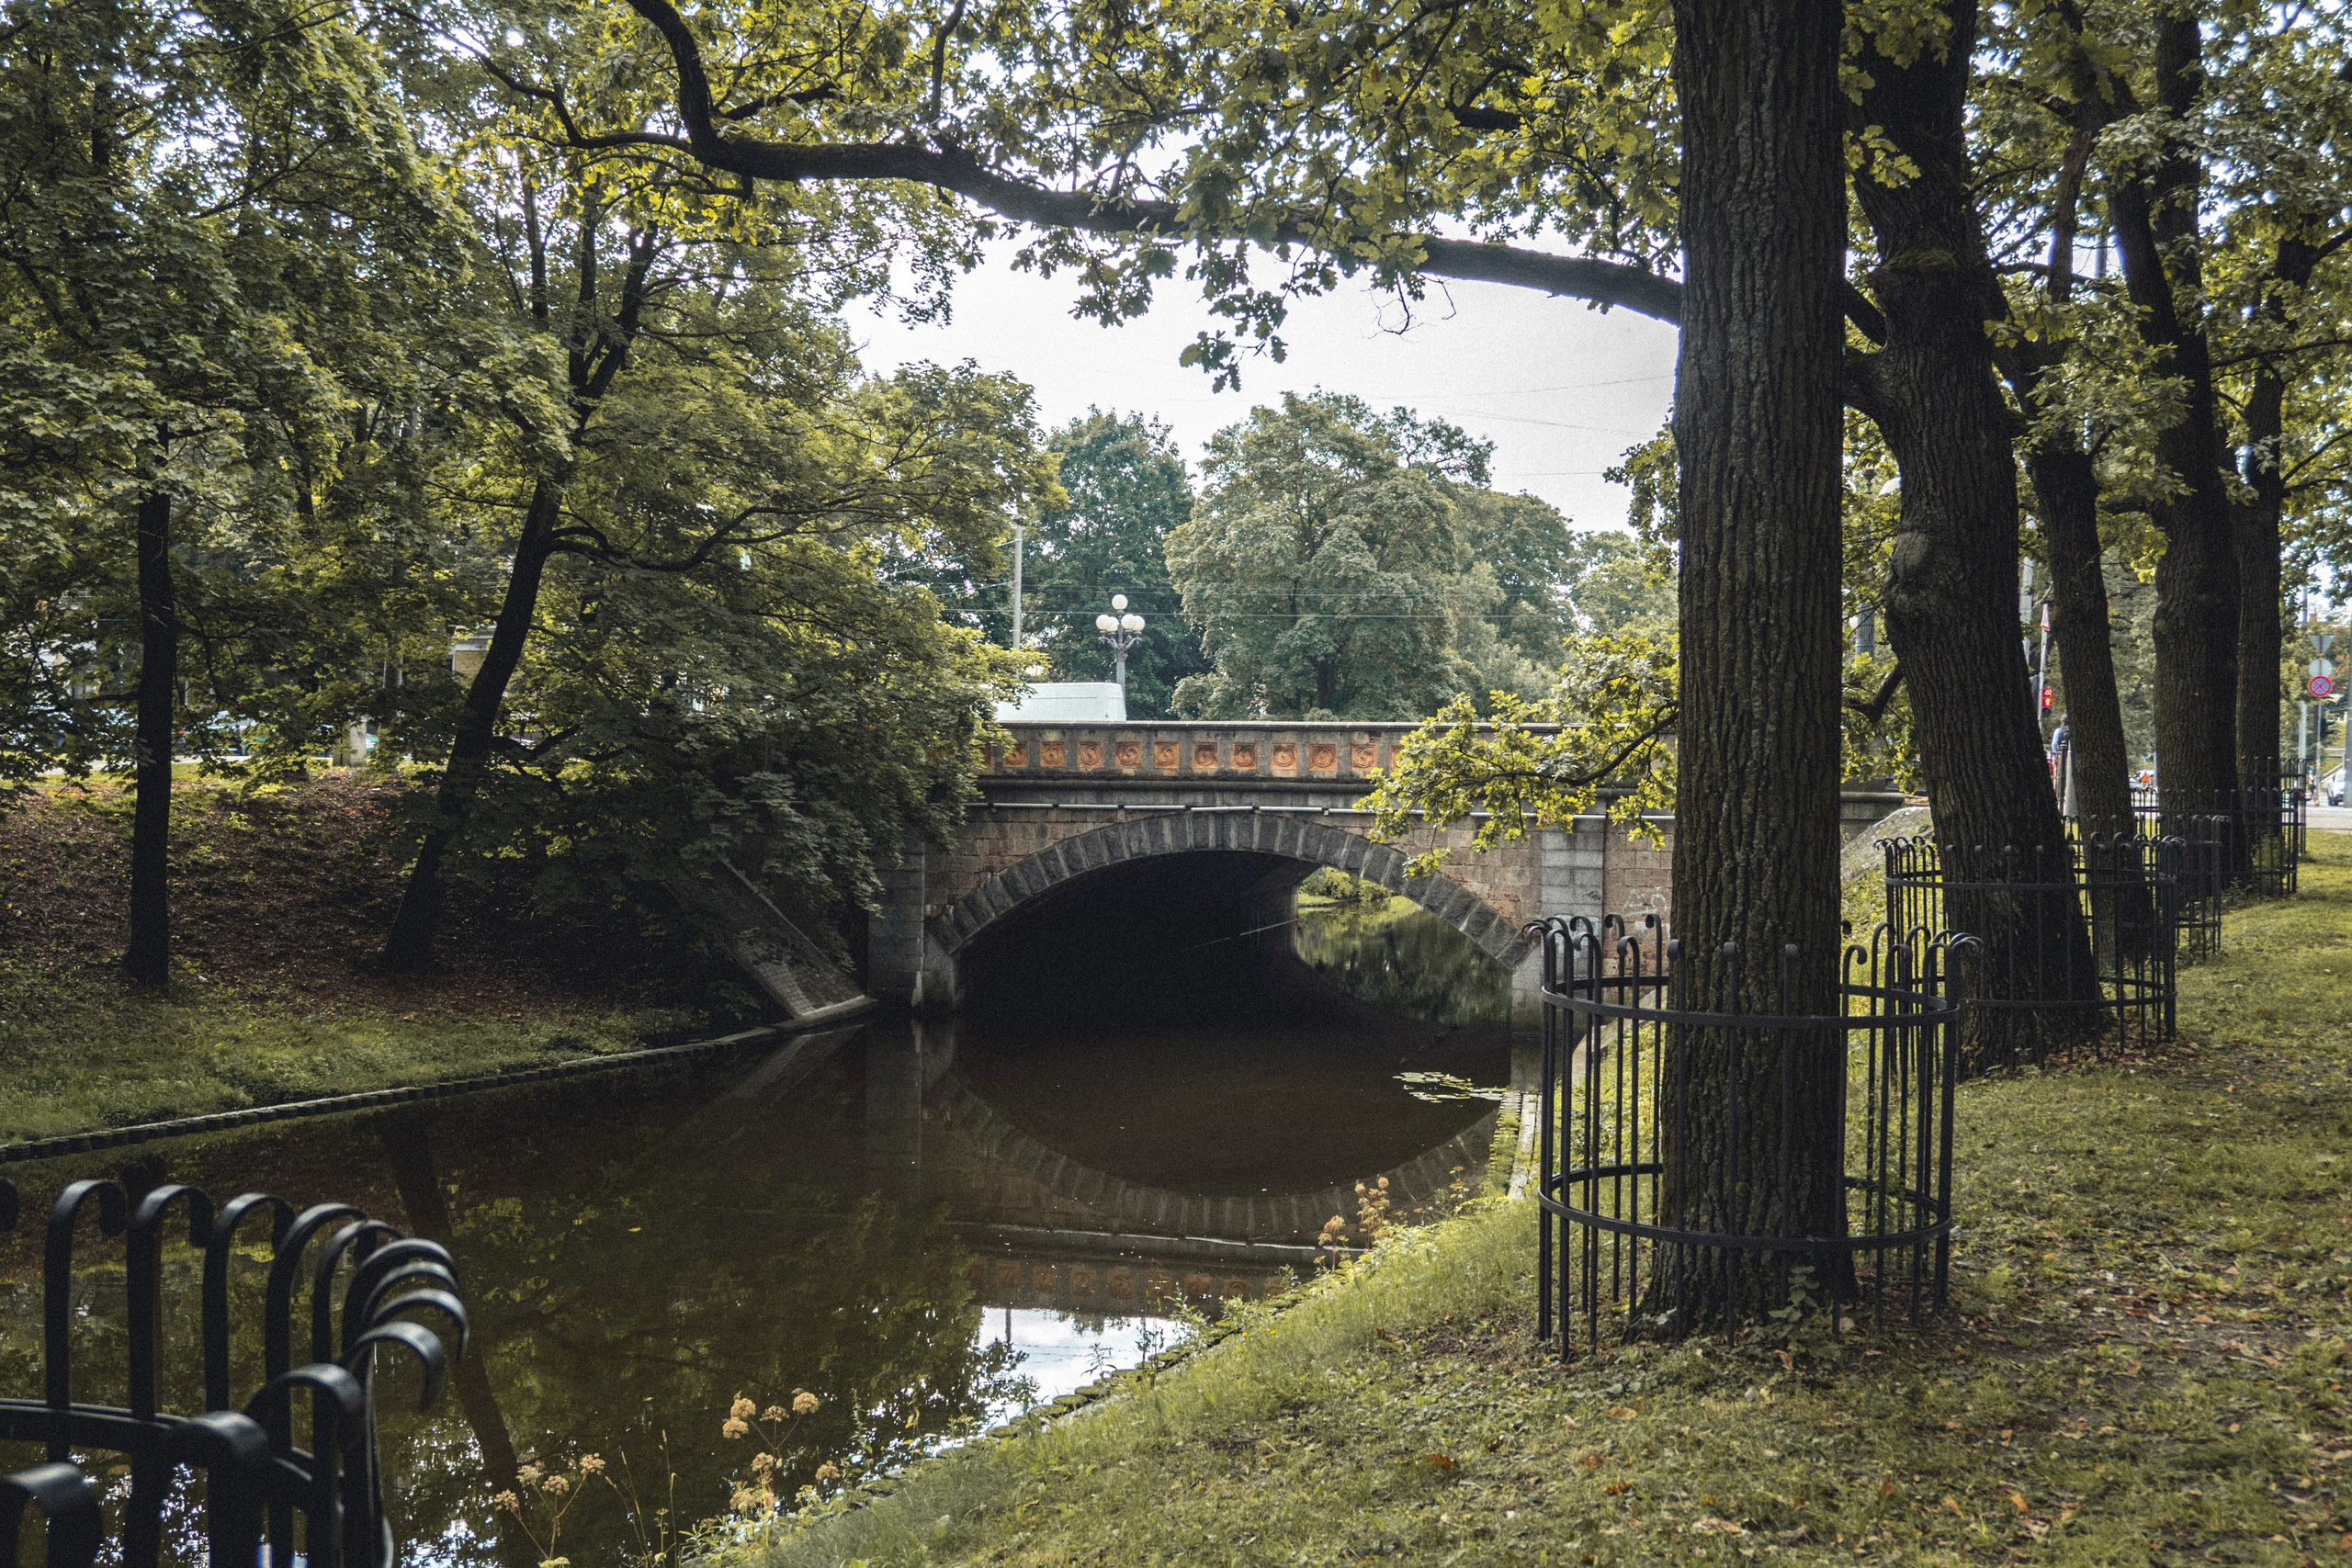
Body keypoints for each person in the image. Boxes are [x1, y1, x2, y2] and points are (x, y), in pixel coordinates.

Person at [2048, 713, 2075, 819]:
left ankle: (2060, 798)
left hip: (2062, 756)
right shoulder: (2073, 731)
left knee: (2059, 777)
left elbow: (2054, 744)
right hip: (2072, 756)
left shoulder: (2059, 730)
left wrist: (2055, 755)